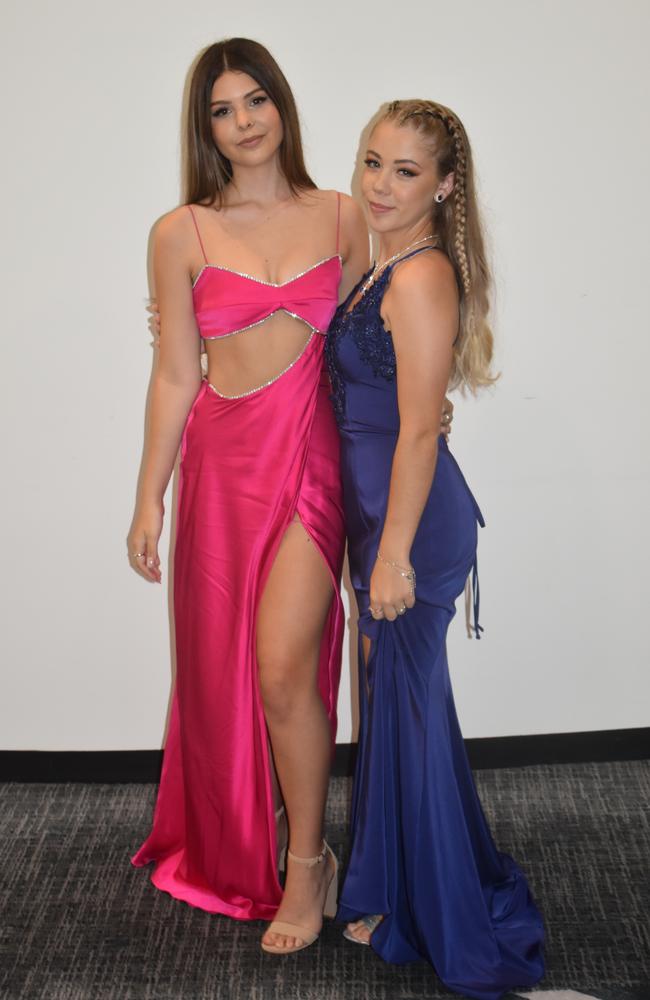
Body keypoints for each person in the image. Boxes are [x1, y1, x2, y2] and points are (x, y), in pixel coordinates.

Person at [127, 37, 371, 954]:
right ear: (207, 128)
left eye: (256, 100)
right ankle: (248, 840)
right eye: (223, 110)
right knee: (225, 673)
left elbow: (369, 349)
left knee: (280, 668)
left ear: (283, 105)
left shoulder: (346, 216)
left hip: (311, 461)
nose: (244, 123)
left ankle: (308, 866)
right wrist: (149, 497)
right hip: (222, 474)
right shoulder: (179, 232)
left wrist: (421, 420)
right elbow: (173, 376)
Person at [324, 100, 545, 999]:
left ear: (444, 185)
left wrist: (392, 557)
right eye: (373, 162)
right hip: (388, 523)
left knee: (404, 718)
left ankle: (437, 913)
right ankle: (393, 889)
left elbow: (418, 435)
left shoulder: (417, 279)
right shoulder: (386, 268)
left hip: (411, 532)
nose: (380, 184)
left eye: (406, 171)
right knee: (397, 714)